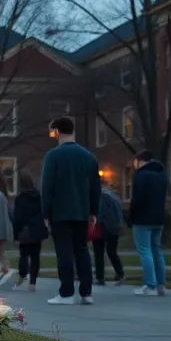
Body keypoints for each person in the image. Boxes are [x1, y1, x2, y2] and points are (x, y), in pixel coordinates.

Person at [40, 116, 100, 305]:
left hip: (60, 212)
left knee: (64, 252)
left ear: (57, 131)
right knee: (82, 251)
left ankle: (66, 292)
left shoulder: (53, 156)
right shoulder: (88, 157)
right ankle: (86, 292)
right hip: (82, 211)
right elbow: (95, 187)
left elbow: (48, 186)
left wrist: (46, 213)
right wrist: (93, 211)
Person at [129, 149, 169, 296]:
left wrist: (131, 216)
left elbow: (137, 198)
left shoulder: (141, 175)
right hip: (158, 217)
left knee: (145, 250)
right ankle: (161, 284)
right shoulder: (162, 173)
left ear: (140, 160)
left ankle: (150, 284)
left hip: (143, 218)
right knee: (156, 250)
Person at [11, 169, 47, 292]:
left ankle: (22, 275)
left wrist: (16, 233)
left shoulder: (21, 198)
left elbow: (18, 217)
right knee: (35, 256)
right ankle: (33, 282)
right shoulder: (39, 196)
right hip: (37, 229)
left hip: (25, 230)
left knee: (24, 255)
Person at [93, 178, 126, 286]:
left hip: (103, 227)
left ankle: (100, 276)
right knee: (112, 251)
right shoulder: (114, 196)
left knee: (99, 252)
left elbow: (100, 213)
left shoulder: (101, 197)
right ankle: (120, 273)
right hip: (115, 227)